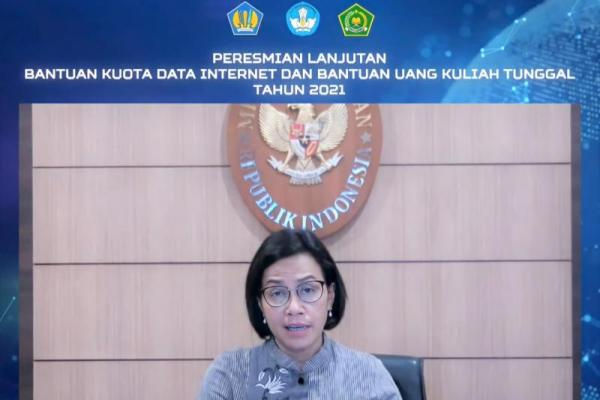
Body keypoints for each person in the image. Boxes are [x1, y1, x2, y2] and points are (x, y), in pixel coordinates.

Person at [198, 229, 402, 400]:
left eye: (308, 289)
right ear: (260, 303)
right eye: (277, 293)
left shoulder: (368, 375)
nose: (294, 308)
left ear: (330, 296)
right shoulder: (229, 376)